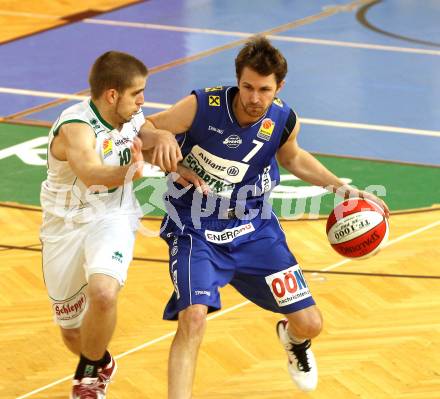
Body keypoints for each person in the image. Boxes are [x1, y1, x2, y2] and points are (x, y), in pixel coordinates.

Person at [141, 36, 389, 398]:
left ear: (279, 87)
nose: (255, 98)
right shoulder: (201, 105)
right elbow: (145, 130)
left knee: (311, 323)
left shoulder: (284, 119)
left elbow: (293, 158)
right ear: (237, 81)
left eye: (264, 89)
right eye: (247, 87)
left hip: (255, 230)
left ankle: (293, 340)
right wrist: (163, 138)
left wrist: (342, 189)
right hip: (195, 227)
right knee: (192, 316)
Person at [39, 51, 181, 399]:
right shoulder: (76, 128)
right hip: (65, 223)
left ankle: (87, 378)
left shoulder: (130, 115)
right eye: (137, 93)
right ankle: (99, 360)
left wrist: (159, 136)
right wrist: (128, 171)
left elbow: (144, 128)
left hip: (112, 215)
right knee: (73, 331)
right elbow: (90, 173)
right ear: (112, 95)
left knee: (103, 292)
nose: (143, 100)